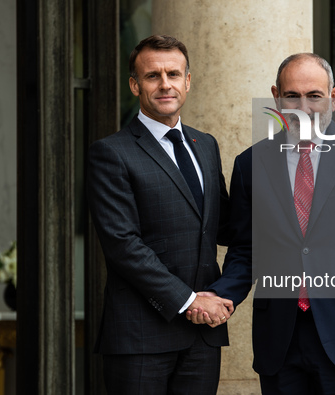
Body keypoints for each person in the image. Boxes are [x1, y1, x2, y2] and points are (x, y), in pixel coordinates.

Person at [190, 53, 335, 394]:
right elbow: (246, 249)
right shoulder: (252, 163)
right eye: (292, 95)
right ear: (277, 97)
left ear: (334, 97)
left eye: (315, 96)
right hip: (280, 339)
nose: (303, 106)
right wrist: (222, 296)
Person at [86, 34, 233, 395]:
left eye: (173, 74)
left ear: (188, 81)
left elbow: (226, 227)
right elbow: (123, 245)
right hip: (140, 339)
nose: (165, 84)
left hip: (202, 339)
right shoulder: (110, 153)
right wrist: (189, 300)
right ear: (135, 85)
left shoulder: (206, 144)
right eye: (153, 76)